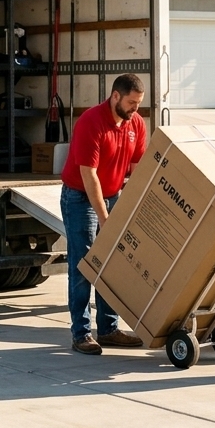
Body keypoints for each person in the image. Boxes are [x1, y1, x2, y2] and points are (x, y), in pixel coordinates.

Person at [59, 73, 149, 354]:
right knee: (85, 264)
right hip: (80, 198)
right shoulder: (91, 122)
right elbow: (90, 177)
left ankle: (109, 329)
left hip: (114, 195)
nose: (135, 109)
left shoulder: (136, 124)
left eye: (139, 103)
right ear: (115, 97)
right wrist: (106, 219)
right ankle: (81, 334)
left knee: (111, 263)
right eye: (132, 103)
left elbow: (138, 169)